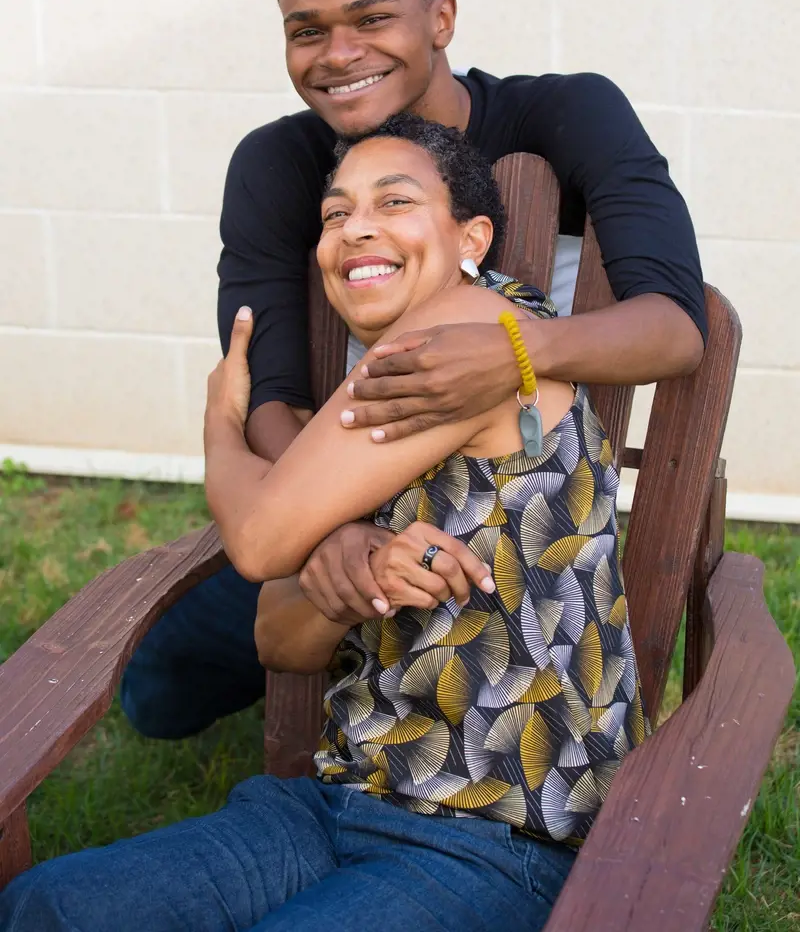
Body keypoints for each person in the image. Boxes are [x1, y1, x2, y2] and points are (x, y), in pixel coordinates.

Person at [0, 116, 647, 932]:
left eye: (395, 200)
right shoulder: (374, 410)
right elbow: (278, 638)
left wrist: (222, 425)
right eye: (335, 214)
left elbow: (261, 540)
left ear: (471, 236)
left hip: (495, 842)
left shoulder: (468, 338)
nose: (357, 226)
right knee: (49, 907)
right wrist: (347, 587)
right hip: (334, 809)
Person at [120, 0, 705, 741]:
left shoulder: (567, 115)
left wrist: (516, 350)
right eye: (307, 29)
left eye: (371, 18)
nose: (337, 52)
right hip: (345, 480)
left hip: (514, 515)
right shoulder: (274, 166)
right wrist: (337, 529)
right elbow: (271, 392)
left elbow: (676, 325)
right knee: (156, 692)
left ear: (441, 18)